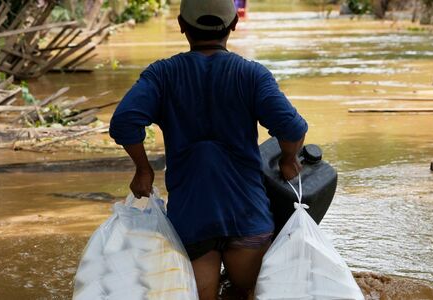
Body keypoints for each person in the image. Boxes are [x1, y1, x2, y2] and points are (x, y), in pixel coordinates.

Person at [108, 0, 308, 298]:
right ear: (233, 26)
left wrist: (143, 169)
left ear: (182, 26)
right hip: (246, 215)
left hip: (191, 217)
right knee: (251, 290)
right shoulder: (251, 75)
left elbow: (124, 122)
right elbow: (292, 128)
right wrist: (289, 160)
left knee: (199, 295)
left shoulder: (162, 75)